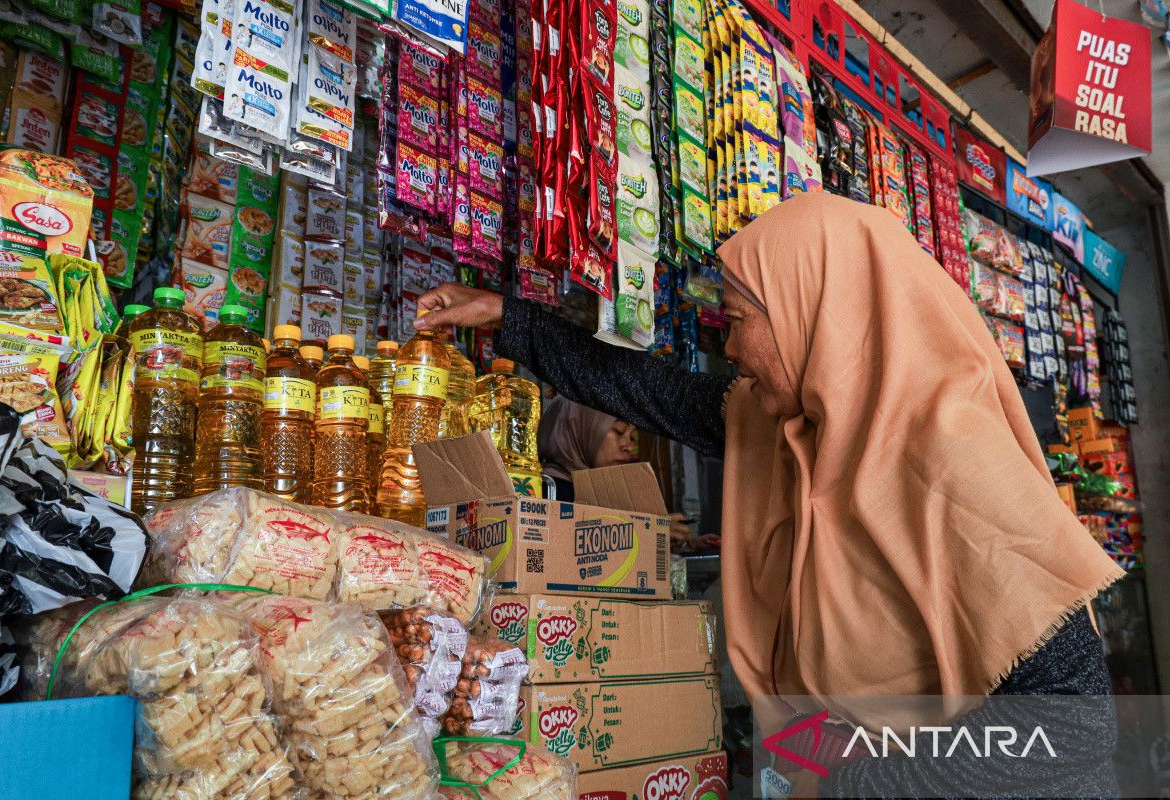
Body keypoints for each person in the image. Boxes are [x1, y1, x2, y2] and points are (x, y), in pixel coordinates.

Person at [416, 194, 1123, 796]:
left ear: (814, 313)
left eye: (738, 321)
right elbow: (654, 391)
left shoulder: (951, 459)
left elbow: (1070, 728)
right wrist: (508, 317)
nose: (730, 350)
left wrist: (856, 781)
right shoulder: (803, 428)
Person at [538, 393, 702, 551]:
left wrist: (679, 543)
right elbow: (567, 551)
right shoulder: (546, 491)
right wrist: (649, 533)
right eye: (618, 431)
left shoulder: (606, 490)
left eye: (632, 436)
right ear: (578, 427)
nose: (628, 446)